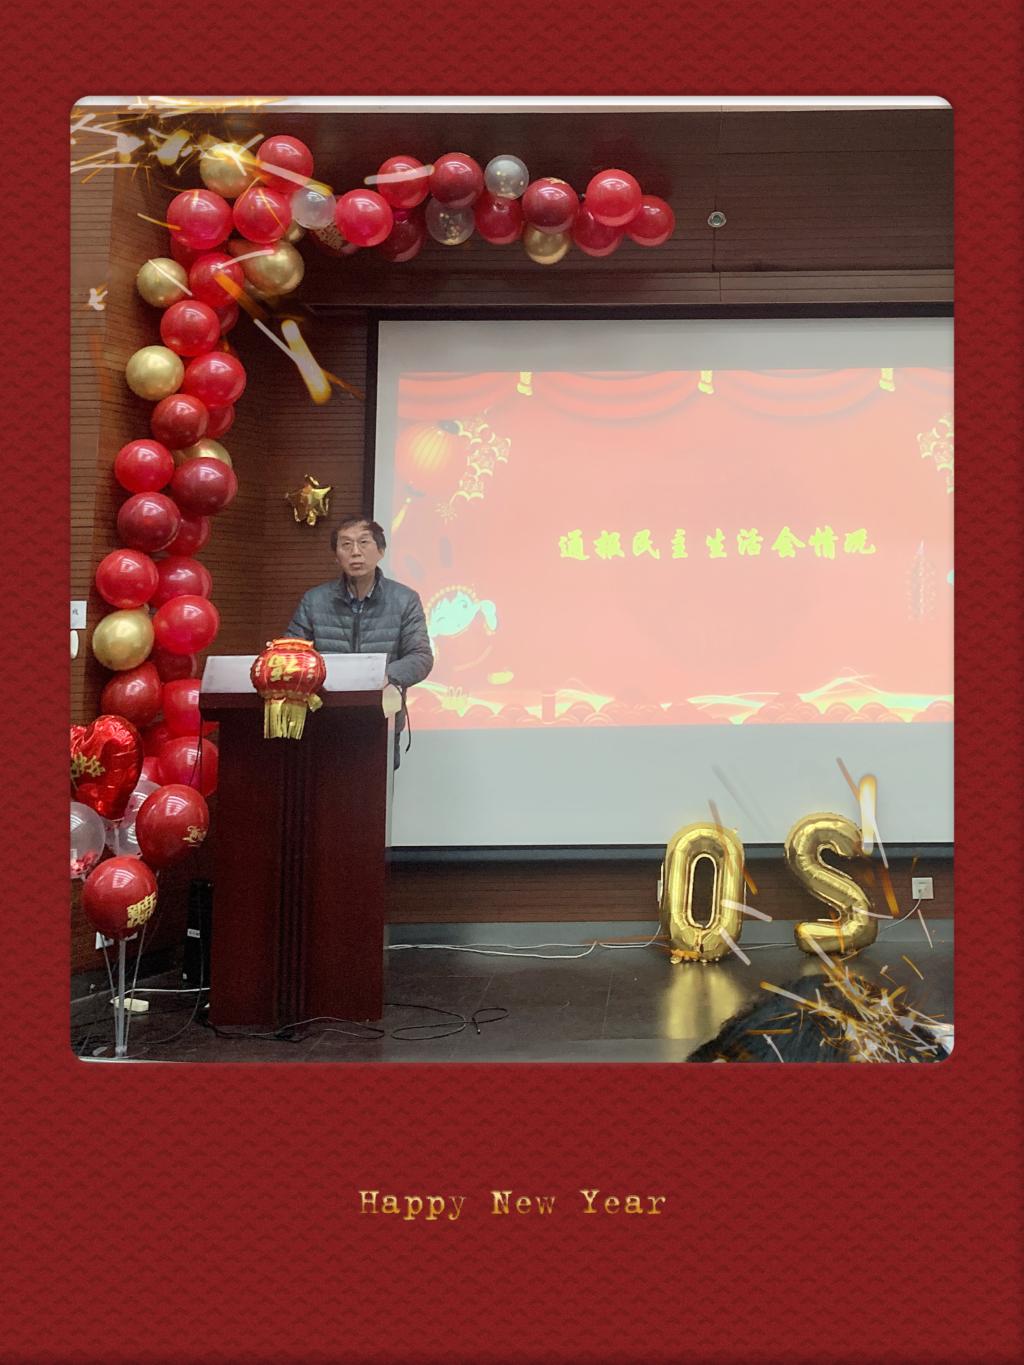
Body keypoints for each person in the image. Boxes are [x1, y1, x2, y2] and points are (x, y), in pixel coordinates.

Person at [285, 516, 433, 766]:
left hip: (380, 720)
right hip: (323, 719)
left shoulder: (405, 600)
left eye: (364, 543)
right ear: (336, 556)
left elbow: (421, 657)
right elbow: (291, 653)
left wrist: (380, 676)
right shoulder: (314, 601)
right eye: (346, 544)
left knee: (374, 789)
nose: (355, 552)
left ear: (381, 551)